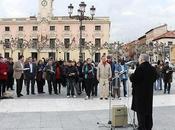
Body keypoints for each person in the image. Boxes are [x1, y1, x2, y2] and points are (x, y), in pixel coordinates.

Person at [130, 54, 157, 130]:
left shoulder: (140, 68)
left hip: (140, 94)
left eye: (139, 59)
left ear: (142, 60)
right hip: (148, 93)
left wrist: (131, 75)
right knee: (148, 111)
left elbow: (134, 79)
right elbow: (155, 77)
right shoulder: (152, 68)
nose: (138, 60)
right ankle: (148, 126)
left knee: (141, 112)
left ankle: (142, 127)